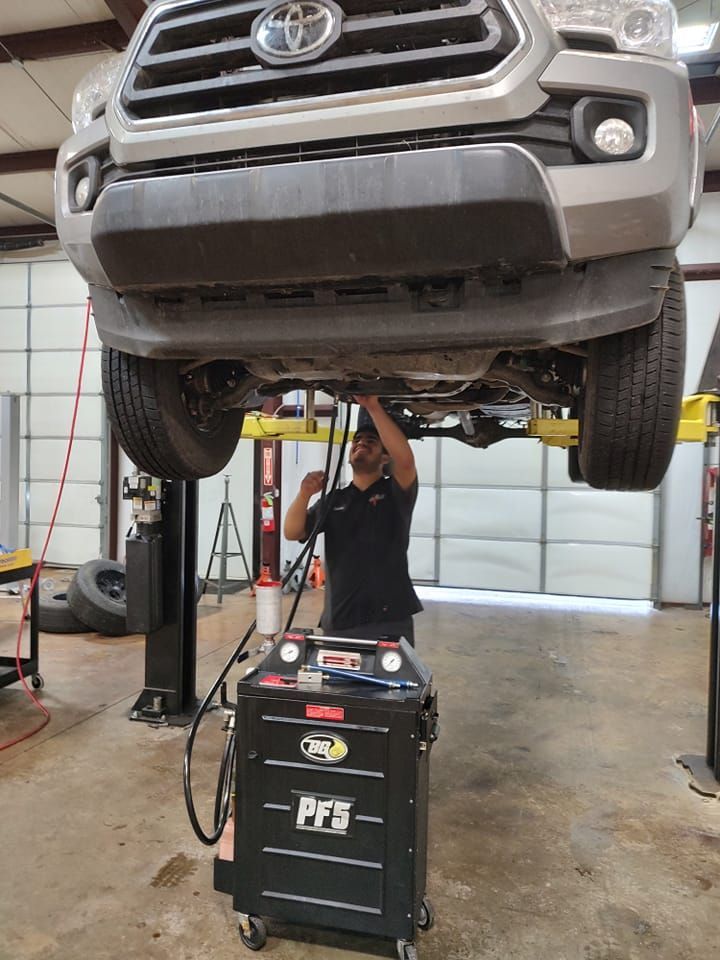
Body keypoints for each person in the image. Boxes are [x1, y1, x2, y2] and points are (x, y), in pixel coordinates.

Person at [284, 396, 423, 645]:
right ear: (348, 457)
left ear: (384, 458)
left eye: (371, 442)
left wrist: (372, 406)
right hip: (340, 621)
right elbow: (292, 531)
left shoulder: (395, 493)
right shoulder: (334, 500)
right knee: (339, 684)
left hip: (390, 620)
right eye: (357, 441)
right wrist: (304, 493)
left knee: (392, 683)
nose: (361, 444)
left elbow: (406, 462)